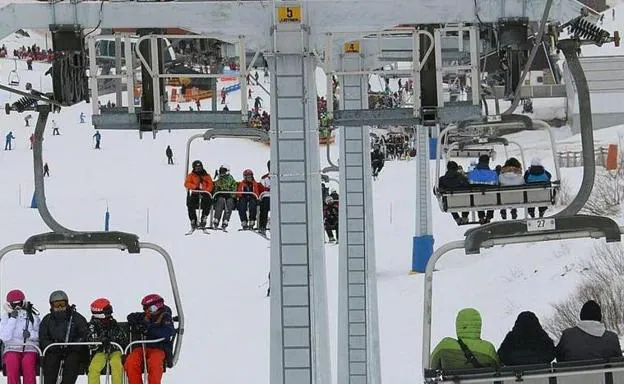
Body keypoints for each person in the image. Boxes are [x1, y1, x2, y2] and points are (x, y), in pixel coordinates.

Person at [39, 290, 90, 384]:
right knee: (51, 363)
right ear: (51, 305)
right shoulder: (48, 320)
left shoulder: (76, 318)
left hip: (72, 351)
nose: (59, 307)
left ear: (67, 304)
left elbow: (83, 335)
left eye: (62, 304)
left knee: (72, 363)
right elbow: (43, 338)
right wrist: (53, 345)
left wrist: (73, 345)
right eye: (57, 305)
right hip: (54, 350)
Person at [125, 294, 175, 384]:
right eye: (144, 309)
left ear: (156, 307)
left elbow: (167, 332)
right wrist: (138, 325)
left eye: (149, 308)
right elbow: (130, 316)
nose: (146, 311)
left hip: (159, 348)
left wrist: (149, 328)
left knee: (154, 363)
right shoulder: (146, 316)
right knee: (131, 361)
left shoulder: (165, 317)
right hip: (143, 347)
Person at [430, 308, 499, 370]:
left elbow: (431, 365)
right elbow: (499, 369)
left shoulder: (444, 345)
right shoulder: (488, 349)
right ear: (478, 326)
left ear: (458, 325)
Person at [555, 300, 622, 362]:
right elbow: (619, 362)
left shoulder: (568, 335)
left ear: (581, 316)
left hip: (573, 374)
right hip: (607, 374)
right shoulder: (612, 338)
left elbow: (559, 358)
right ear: (599, 317)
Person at [0, 289, 40, 384]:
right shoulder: (6, 317)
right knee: (12, 363)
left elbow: (39, 334)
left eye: (19, 303)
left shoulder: (32, 317)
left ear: (24, 302)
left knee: (28, 364)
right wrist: (12, 319)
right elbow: (4, 337)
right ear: (9, 304)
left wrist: (30, 335)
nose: (17, 307)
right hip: (11, 348)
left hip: (30, 348)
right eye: (14, 304)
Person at [87, 298, 127, 384]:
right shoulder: (92, 326)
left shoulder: (113, 323)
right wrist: (100, 340)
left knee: (116, 364)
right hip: (100, 352)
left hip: (115, 350)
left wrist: (112, 339)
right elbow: (91, 344)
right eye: (107, 312)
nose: (110, 315)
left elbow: (123, 338)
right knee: (94, 368)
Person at [468, 155, 498, 224]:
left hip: (476, 200)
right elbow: (497, 184)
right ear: (488, 162)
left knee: (477, 195)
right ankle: (488, 217)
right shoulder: (493, 174)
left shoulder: (472, 173)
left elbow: (469, 184)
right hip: (491, 199)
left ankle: (481, 216)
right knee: (491, 195)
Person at [184, 160, 213, 229]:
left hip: (205, 193)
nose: (199, 169)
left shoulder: (206, 175)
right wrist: (195, 187)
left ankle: (204, 217)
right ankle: (193, 219)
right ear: (194, 168)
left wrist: (205, 191)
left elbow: (210, 185)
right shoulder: (191, 176)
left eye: (200, 167)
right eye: (197, 168)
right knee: (190, 203)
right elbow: (187, 183)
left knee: (208, 201)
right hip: (195, 193)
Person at [438, 161, 470, 225]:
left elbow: (436, 190)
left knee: (450, 201)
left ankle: (457, 218)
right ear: (456, 168)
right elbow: (468, 187)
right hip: (464, 202)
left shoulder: (442, 180)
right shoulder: (462, 178)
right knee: (465, 196)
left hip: (450, 204)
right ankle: (464, 216)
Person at [212, 164, 238, 230]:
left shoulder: (231, 179)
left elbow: (234, 188)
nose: (221, 172)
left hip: (229, 196)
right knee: (220, 201)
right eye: (221, 171)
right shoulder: (219, 179)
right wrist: (217, 193)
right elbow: (216, 187)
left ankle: (225, 220)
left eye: (223, 171)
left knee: (229, 202)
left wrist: (231, 194)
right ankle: (216, 219)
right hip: (221, 196)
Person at [258, 160, 271, 233]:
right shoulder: (264, 178)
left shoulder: (280, 176)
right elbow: (262, 187)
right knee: (264, 206)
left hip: (277, 197)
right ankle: (262, 226)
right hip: (267, 196)